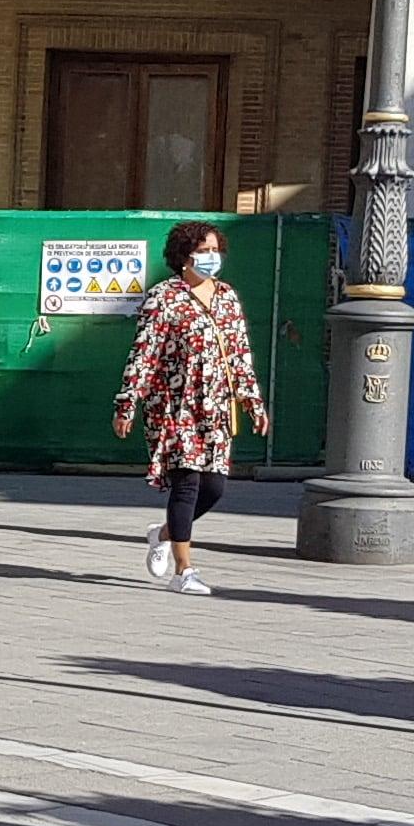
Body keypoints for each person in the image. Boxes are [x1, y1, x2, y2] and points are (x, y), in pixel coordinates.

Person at [113, 221, 268, 596]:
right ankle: (184, 570)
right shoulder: (164, 297)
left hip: (215, 407)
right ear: (184, 256)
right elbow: (144, 352)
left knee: (214, 487)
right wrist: (127, 402)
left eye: (216, 251)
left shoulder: (227, 296)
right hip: (175, 406)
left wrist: (253, 402)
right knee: (187, 483)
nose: (212, 258)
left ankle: (163, 534)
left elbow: (239, 353)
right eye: (204, 251)